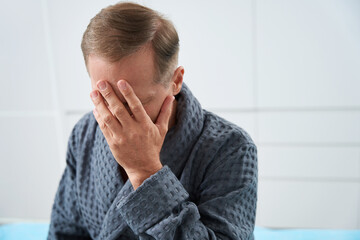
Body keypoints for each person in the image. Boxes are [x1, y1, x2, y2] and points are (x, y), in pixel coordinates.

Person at [48, 2, 258, 239]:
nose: (119, 117)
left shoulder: (231, 148)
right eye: (106, 99)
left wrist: (145, 172)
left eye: (135, 103)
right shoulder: (85, 134)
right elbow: (64, 232)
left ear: (175, 81)